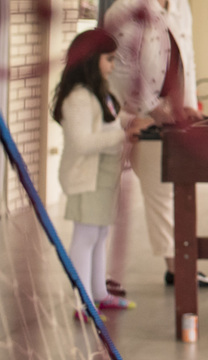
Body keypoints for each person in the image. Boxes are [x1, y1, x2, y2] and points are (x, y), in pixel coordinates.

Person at [104, 0, 208, 289]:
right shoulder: (126, 10)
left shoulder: (180, 6)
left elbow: (189, 60)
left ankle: (177, 266)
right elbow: (120, 71)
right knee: (148, 190)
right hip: (138, 117)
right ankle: (107, 275)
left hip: (175, 115)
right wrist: (153, 109)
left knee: (174, 188)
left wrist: (190, 105)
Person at [52, 28, 150, 316]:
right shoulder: (78, 98)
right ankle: (81, 302)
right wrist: (125, 134)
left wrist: (134, 122)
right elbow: (82, 142)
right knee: (85, 236)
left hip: (105, 176)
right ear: (90, 60)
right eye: (108, 59)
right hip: (87, 178)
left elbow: (112, 121)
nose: (112, 65)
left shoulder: (100, 93)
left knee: (101, 234)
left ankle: (98, 293)